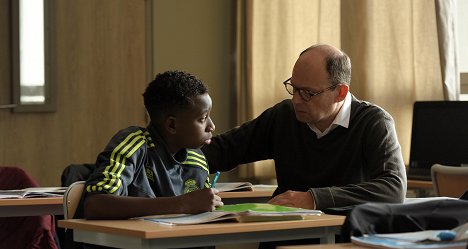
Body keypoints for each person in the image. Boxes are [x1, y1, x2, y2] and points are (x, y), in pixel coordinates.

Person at [202, 44, 407, 247]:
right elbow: (222, 151)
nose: (296, 100)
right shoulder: (283, 116)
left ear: (340, 93)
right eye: (294, 88)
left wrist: (314, 198)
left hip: (342, 238)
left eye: (308, 93)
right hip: (285, 236)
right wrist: (173, 157)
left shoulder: (373, 122)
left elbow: (393, 187)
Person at [82, 70, 223, 221]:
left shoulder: (197, 159)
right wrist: (182, 204)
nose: (212, 126)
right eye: (203, 118)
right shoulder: (134, 144)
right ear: (172, 125)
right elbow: (95, 204)